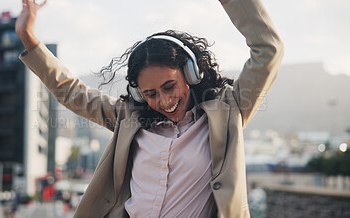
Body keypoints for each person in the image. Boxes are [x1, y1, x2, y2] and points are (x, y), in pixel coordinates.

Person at [16, 0, 283, 217]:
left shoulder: (228, 111)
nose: (164, 101)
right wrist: (27, 36)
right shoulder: (128, 118)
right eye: (151, 93)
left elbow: (268, 50)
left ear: (191, 73)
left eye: (169, 86)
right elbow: (73, 93)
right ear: (138, 93)